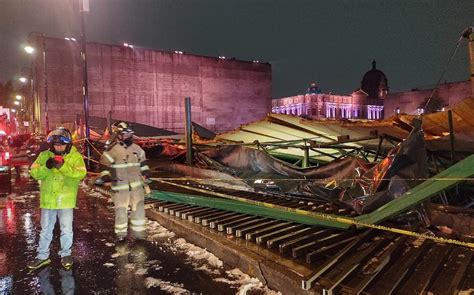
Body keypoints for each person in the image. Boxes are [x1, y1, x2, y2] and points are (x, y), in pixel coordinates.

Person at [28, 127, 87, 270]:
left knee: (66, 229)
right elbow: (34, 172)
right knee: (45, 229)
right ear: (51, 145)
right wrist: (46, 167)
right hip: (48, 201)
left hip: (66, 201)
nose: (59, 147)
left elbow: (80, 174)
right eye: (56, 144)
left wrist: (63, 166)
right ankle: (42, 257)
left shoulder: (75, 157)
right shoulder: (43, 156)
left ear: (68, 144)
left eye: (62, 144)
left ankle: (66, 254)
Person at [98, 121, 151, 242]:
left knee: (138, 211)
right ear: (118, 135)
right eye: (125, 134)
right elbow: (104, 166)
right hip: (120, 187)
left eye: (130, 134)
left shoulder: (138, 149)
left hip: (137, 187)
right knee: (121, 211)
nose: (128, 137)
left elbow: (143, 164)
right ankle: (121, 234)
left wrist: (146, 173)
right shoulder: (112, 150)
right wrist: (106, 177)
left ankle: (139, 234)